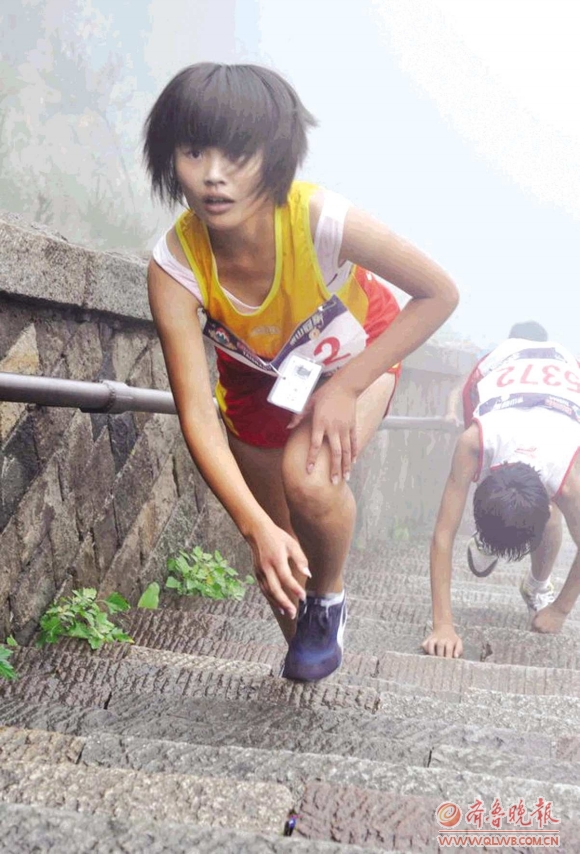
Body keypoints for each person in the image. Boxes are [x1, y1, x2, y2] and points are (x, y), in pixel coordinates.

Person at [144, 62, 458, 681]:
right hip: (256, 383)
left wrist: (347, 387)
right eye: (193, 152)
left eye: (238, 154)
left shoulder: (318, 218)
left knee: (309, 481)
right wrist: (254, 528)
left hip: (355, 353)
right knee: (277, 551)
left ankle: (331, 595)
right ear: (168, 156)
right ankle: (308, 631)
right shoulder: (175, 266)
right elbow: (198, 415)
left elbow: (439, 293)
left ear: (275, 154)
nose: (213, 175)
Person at [423, 324, 580, 659]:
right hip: (498, 370)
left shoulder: (569, 478)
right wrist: (442, 625)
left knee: (554, 516)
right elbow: (443, 533)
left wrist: (561, 609)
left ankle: (536, 585)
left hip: (562, 381)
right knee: (491, 489)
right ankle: (490, 536)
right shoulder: (474, 442)